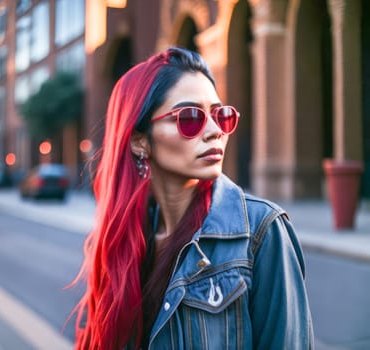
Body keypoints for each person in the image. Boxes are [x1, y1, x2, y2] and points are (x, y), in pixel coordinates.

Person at [73, 47, 314, 349]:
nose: (215, 131)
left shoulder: (262, 231)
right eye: (190, 117)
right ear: (140, 141)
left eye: (220, 115)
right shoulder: (124, 242)